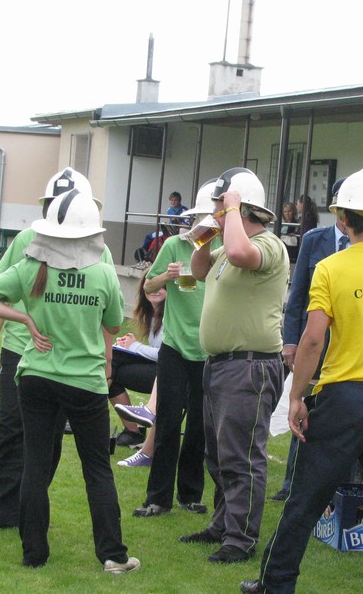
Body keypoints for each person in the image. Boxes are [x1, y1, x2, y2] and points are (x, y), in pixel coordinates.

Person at [240, 168, 363, 594]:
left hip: (342, 398)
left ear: (342, 218)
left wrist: (297, 398)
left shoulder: (331, 267)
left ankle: (276, 584)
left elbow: (311, 340)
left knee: (303, 501)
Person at [0, 190, 139, 574]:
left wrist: (26, 320)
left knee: (34, 464)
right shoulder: (102, 272)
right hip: (85, 383)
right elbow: (114, 324)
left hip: (37, 378)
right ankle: (113, 556)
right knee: (97, 469)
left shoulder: (31, 266)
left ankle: (34, 555)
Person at [0, 167, 109, 536]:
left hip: (68, 360)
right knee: (10, 427)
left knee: (48, 439)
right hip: (22, 351)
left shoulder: (99, 249)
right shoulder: (27, 239)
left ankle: (29, 510)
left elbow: (102, 307)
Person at [185, 167, 288, 564]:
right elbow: (198, 272)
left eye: (220, 206)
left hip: (249, 367)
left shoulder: (268, 245)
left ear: (239, 206)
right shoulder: (228, 247)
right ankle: (223, 524)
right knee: (219, 453)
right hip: (222, 365)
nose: (214, 213)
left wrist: (228, 213)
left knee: (242, 456)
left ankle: (241, 539)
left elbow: (243, 253)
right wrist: (203, 237)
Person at [127, 180, 217, 517]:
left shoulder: (224, 248)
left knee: (198, 426)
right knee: (166, 422)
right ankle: (157, 498)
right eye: (206, 218)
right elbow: (148, 283)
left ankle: (190, 495)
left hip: (208, 349)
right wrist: (166, 277)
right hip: (175, 348)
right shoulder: (176, 245)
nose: (210, 224)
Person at [271, 178, 349, 503]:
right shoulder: (315, 240)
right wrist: (290, 341)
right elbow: (298, 293)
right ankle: (291, 483)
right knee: (301, 406)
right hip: (312, 340)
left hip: (347, 347)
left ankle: (336, 489)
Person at [109, 272, 164, 450]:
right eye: (151, 286)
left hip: (170, 375)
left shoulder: (173, 314)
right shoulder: (151, 314)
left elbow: (166, 354)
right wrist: (128, 345)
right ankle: (132, 431)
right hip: (157, 369)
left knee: (112, 367)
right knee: (111, 363)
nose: (155, 290)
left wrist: (134, 347)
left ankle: (82, 411)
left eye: (161, 286)